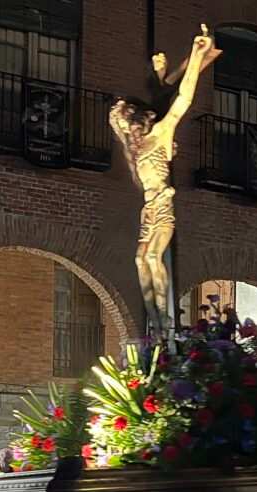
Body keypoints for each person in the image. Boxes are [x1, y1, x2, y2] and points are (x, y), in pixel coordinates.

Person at [109, 25, 217, 334]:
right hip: (148, 210)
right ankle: (154, 320)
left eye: (125, 123)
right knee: (139, 260)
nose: (125, 129)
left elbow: (183, 98)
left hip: (163, 204)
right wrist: (161, 75)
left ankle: (165, 320)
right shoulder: (138, 150)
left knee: (154, 256)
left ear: (136, 120)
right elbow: (164, 95)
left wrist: (196, 54)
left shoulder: (160, 134)